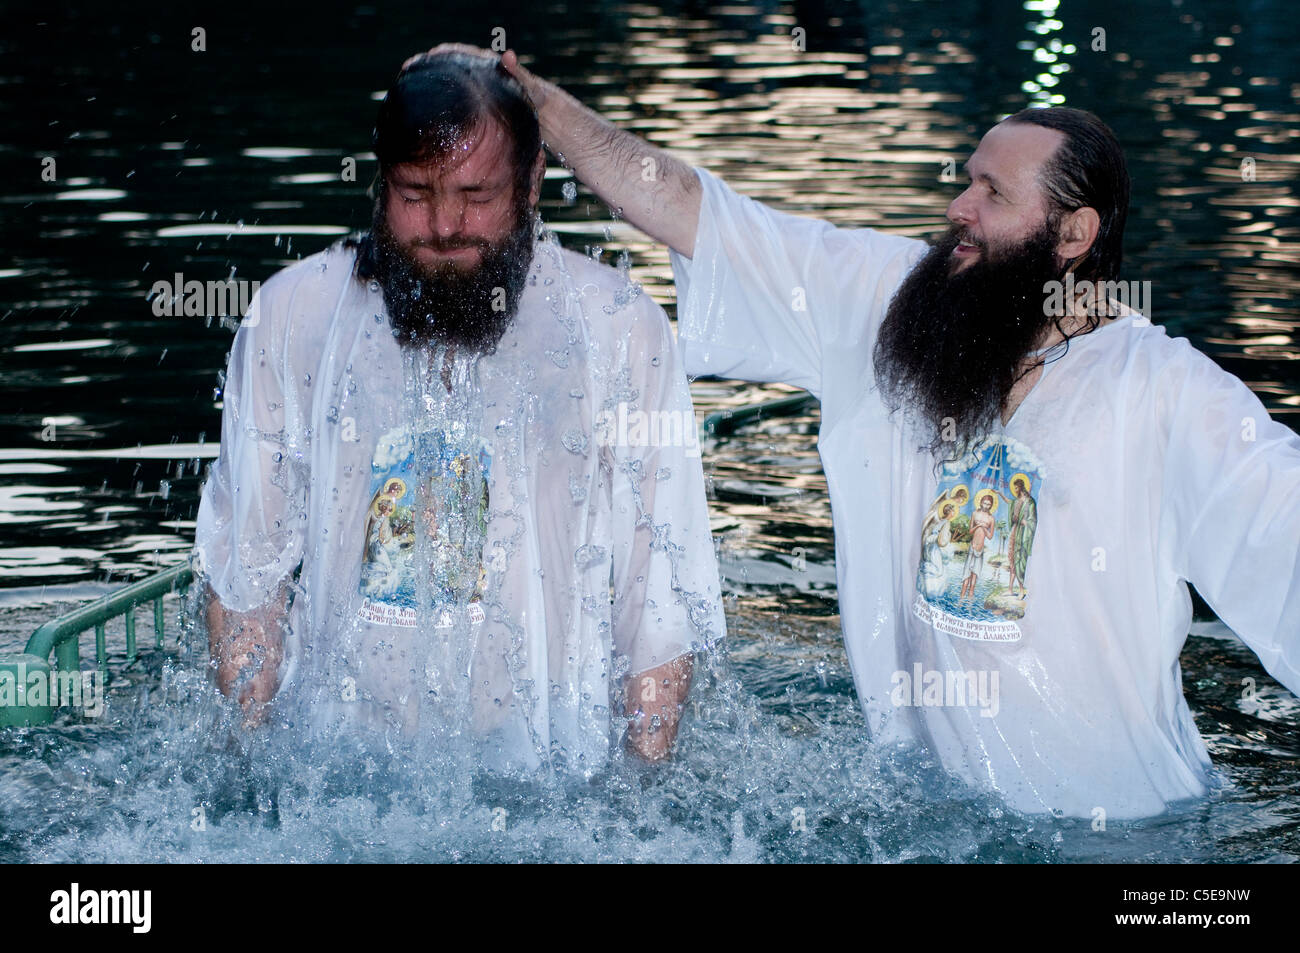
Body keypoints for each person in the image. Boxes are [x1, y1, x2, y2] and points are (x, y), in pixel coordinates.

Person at [431, 45, 1300, 818]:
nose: (959, 206)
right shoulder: (898, 308)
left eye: (992, 193)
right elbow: (693, 209)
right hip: (940, 822)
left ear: (1074, 235)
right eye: (965, 179)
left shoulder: (1170, 394)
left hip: (1136, 837)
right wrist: (535, 102)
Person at [194, 52, 726, 773]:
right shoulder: (295, 313)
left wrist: (639, 790)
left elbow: (656, 595)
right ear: (381, 187)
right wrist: (248, 768)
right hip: (342, 773)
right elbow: (247, 571)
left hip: (551, 776)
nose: (445, 225)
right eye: (415, 193)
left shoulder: (617, 326)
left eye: (476, 194)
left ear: (533, 181)